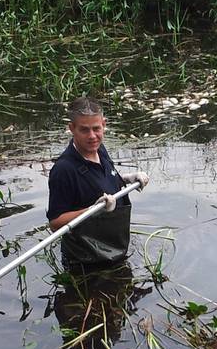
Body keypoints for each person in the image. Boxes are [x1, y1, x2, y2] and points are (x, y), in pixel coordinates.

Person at [46, 96, 149, 273]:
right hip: (86, 263)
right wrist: (92, 211)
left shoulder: (99, 149)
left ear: (104, 124)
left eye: (96, 128)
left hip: (116, 250)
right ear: (72, 129)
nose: (92, 136)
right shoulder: (64, 170)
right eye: (84, 130)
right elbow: (55, 223)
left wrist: (127, 178)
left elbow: (102, 182)